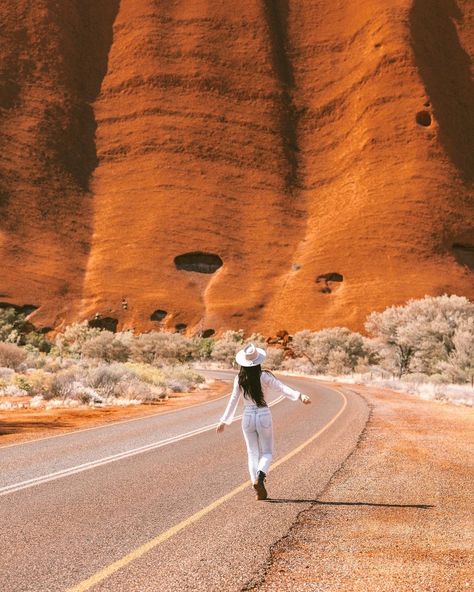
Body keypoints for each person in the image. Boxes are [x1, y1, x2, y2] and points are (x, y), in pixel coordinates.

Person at [216, 343, 311, 500]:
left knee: (252, 452)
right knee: (267, 452)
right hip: (263, 414)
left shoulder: (239, 378)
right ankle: (260, 476)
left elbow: (233, 399)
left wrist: (224, 420)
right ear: (258, 361)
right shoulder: (264, 376)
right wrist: (300, 396)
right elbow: (281, 388)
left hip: (247, 417)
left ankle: (256, 484)